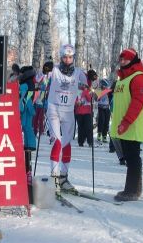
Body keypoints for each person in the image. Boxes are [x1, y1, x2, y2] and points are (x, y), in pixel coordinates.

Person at [46, 44, 88, 193]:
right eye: (65, 57)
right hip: (54, 109)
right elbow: (41, 77)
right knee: (57, 141)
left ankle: (64, 177)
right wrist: (45, 70)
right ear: (61, 57)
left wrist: (90, 90)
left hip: (69, 111)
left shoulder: (78, 72)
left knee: (67, 143)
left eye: (70, 57)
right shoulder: (54, 69)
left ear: (73, 58)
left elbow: (88, 87)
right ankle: (54, 178)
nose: (68, 60)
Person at [110, 48, 143, 201]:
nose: (122, 62)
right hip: (124, 126)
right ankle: (132, 189)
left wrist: (126, 122)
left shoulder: (139, 77)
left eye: (125, 59)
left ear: (133, 60)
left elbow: (137, 103)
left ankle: (132, 191)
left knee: (133, 158)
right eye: (120, 59)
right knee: (129, 157)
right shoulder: (123, 79)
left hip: (132, 125)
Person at [97, 79, 111, 143]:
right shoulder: (99, 90)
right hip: (101, 107)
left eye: (106, 86)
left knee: (106, 121)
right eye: (103, 86)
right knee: (101, 120)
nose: (104, 87)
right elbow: (96, 99)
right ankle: (99, 134)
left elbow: (111, 98)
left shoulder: (108, 91)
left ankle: (104, 136)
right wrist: (99, 95)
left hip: (107, 108)